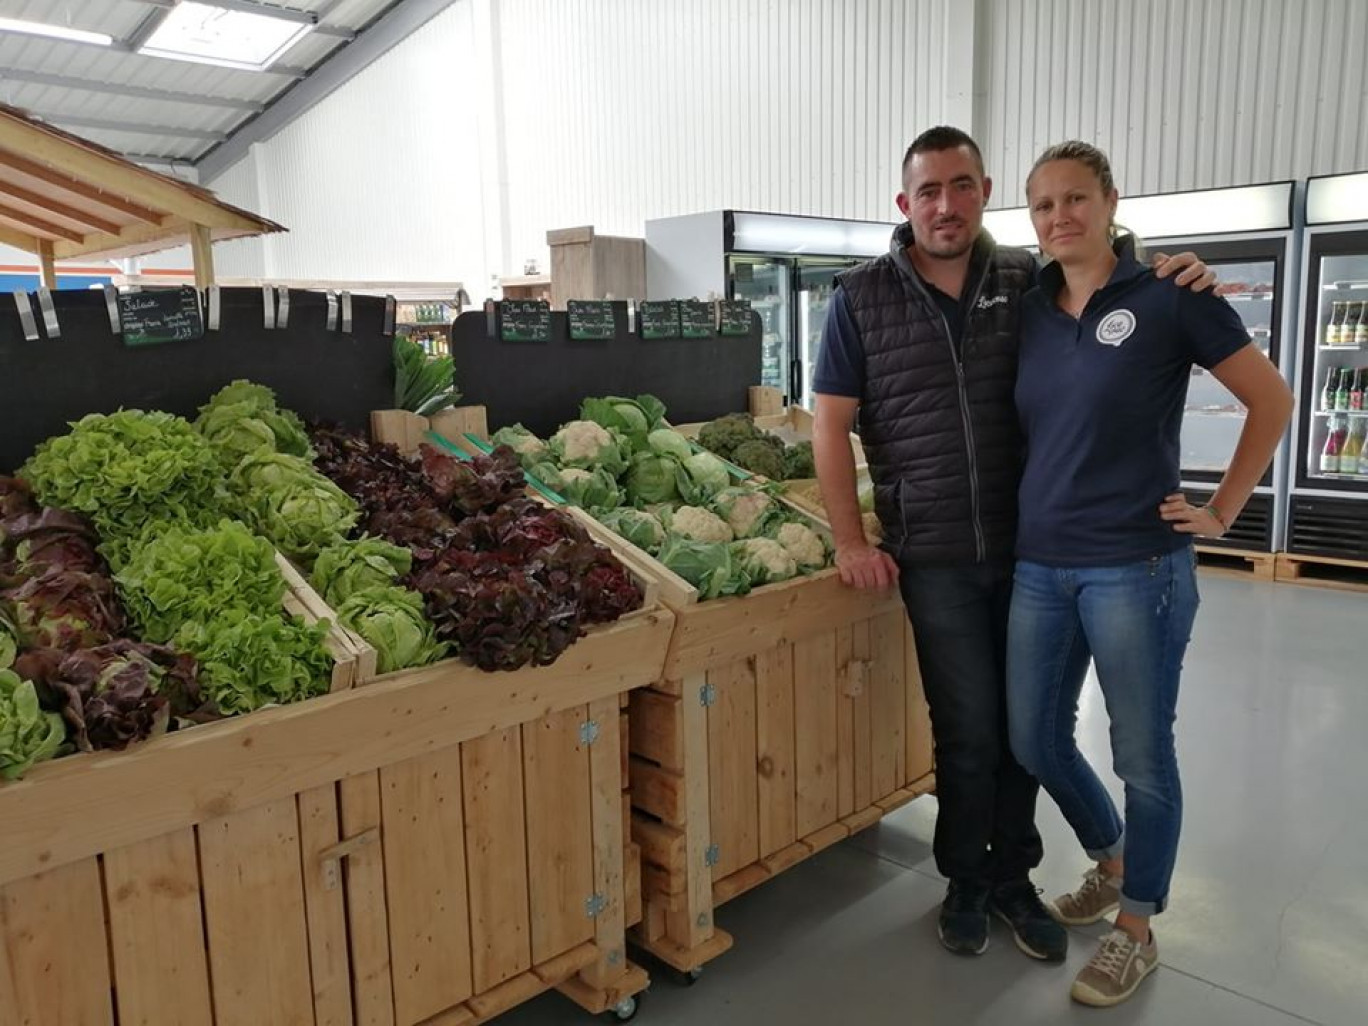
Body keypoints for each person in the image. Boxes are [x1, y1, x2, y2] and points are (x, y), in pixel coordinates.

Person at [811, 126, 1215, 963]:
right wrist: (850, 538)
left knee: (1029, 730)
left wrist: (1175, 268)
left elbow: (1107, 277)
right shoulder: (859, 298)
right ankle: (965, 879)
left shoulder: (1026, 278)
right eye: (928, 191)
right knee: (967, 731)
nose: (946, 205)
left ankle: (1015, 880)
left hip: (1034, 551)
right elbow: (830, 425)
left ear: (983, 190)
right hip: (936, 554)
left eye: (961, 186)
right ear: (904, 204)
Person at [1005, 140, 1293, 1007]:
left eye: (1076, 199)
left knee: (1142, 755)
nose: (1061, 216)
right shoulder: (1031, 304)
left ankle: (1136, 928)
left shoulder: (1171, 295)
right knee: (1036, 738)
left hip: (1137, 566)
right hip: (1040, 565)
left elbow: (1272, 399)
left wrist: (1223, 512)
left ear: (1111, 201)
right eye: (1045, 204)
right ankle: (1114, 859)